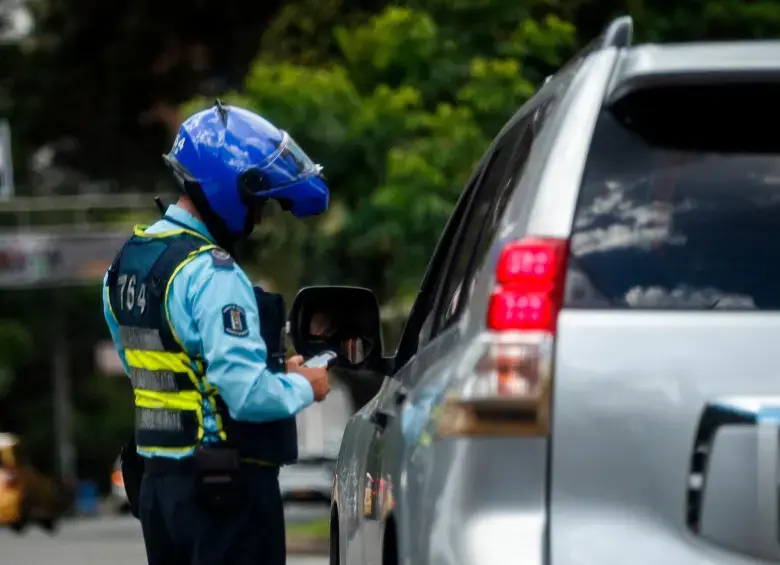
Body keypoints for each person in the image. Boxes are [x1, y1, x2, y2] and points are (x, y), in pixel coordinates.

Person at [102, 100, 331, 565]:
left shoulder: (126, 264)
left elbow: (159, 367)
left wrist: (272, 371)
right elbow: (245, 396)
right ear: (230, 189)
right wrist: (305, 385)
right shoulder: (211, 272)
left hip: (159, 490)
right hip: (223, 490)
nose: (260, 218)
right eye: (258, 203)